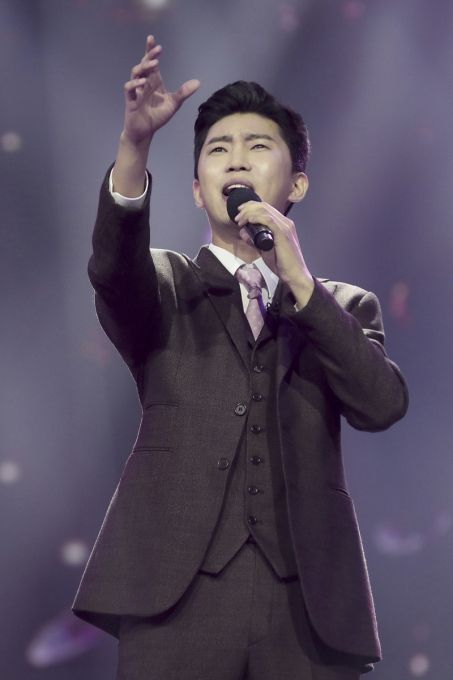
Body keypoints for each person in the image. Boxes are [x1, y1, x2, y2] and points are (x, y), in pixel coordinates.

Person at [72, 35, 409, 680]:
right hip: (174, 597)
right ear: (198, 190)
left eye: (258, 147)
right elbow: (112, 268)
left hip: (306, 608)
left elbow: (382, 404)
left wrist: (300, 284)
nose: (236, 159)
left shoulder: (343, 305)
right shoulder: (164, 286)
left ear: (297, 182)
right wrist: (135, 147)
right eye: (218, 149)